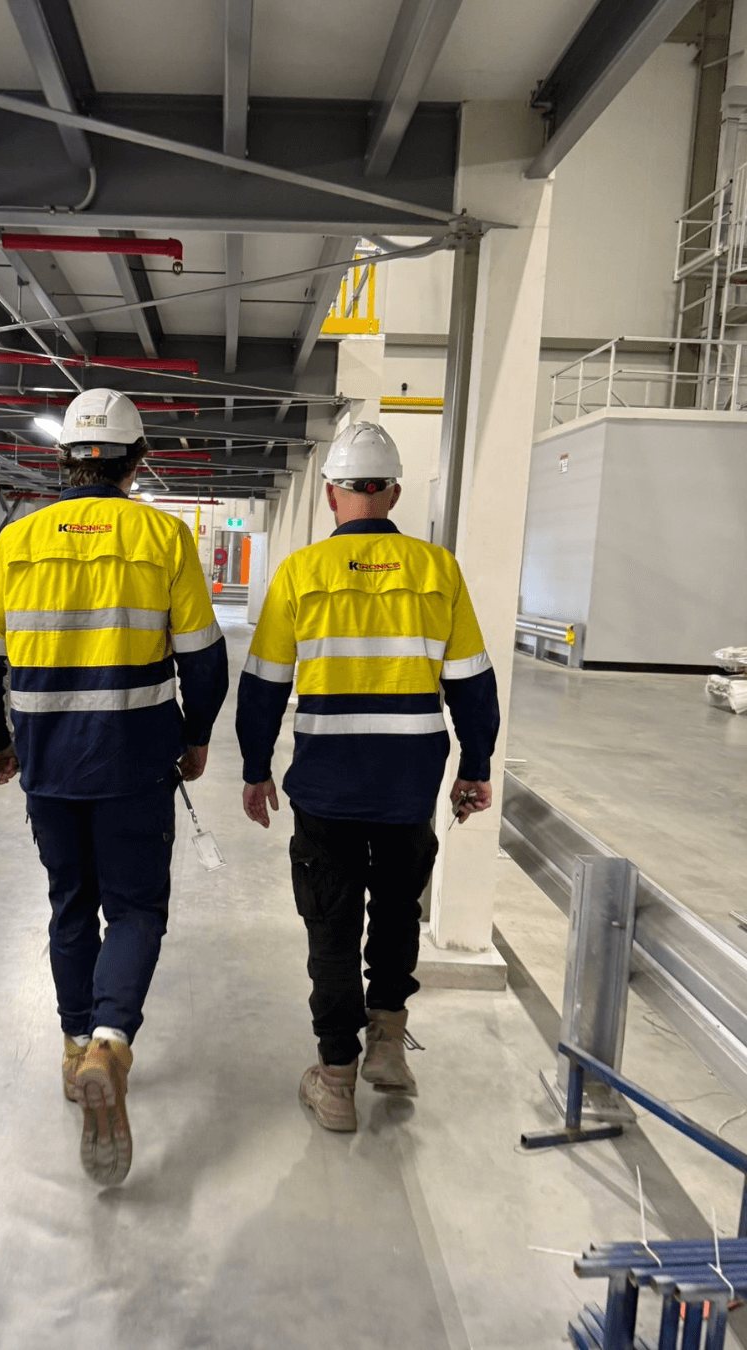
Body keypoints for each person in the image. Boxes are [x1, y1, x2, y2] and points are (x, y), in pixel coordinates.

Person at [0, 388, 228, 1183]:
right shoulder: (163, 536)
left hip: (48, 762)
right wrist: (196, 736)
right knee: (137, 908)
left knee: (70, 904)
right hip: (135, 760)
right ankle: (112, 1041)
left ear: (65, 458)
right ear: (137, 461)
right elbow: (204, 660)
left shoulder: (18, 539)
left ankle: (75, 1044)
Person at [235, 422, 499, 1133]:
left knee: (330, 923)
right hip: (409, 780)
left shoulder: (299, 574)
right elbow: (473, 683)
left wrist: (256, 768)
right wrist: (476, 766)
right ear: (395, 493)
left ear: (329, 496)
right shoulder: (436, 570)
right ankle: (387, 1042)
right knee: (395, 911)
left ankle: (336, 1079)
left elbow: (262, 685)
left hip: (327, 782)